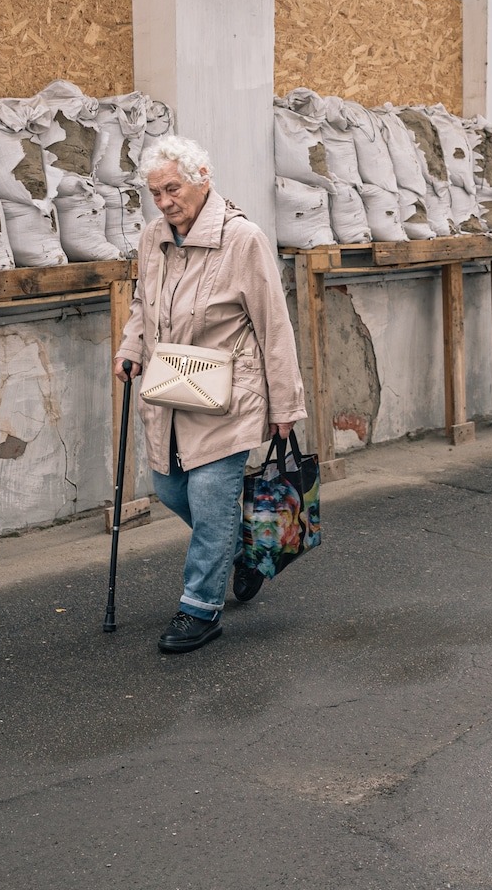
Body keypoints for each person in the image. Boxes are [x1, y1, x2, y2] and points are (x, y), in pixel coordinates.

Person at [116, 135, 306, 653]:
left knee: (208, 495)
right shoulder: (154, 236)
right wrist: (131, 345)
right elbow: (142, 302)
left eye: (172, 188)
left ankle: (200, 608)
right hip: (171, 386)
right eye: (155, 192)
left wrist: (285, 404)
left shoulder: (242, 239)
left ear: (203, 177)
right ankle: (242, 547)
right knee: (171, 489)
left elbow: (274, 325)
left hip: (229, 393)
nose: (165, 201)